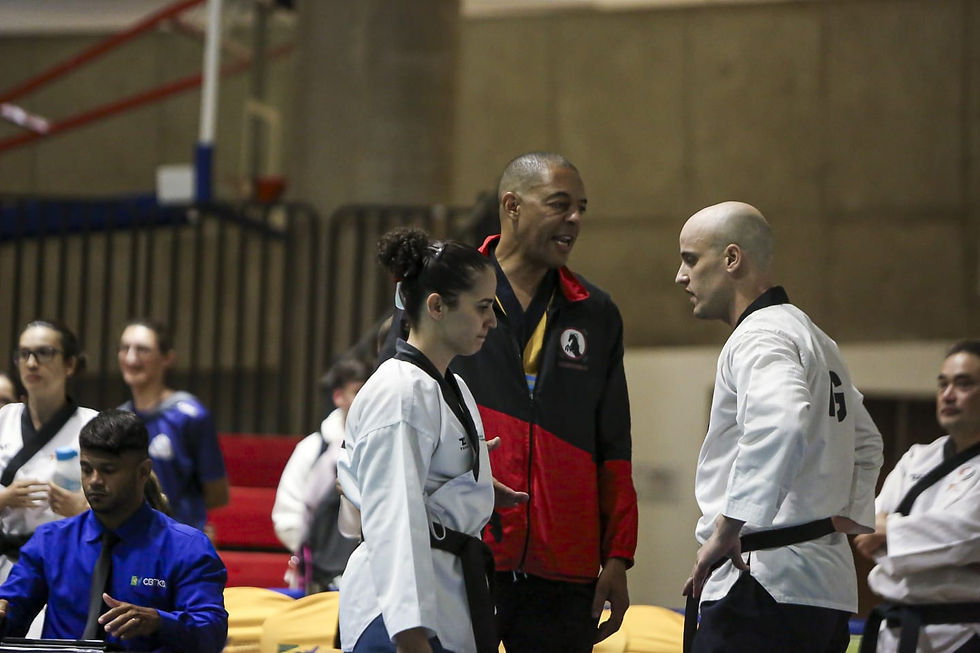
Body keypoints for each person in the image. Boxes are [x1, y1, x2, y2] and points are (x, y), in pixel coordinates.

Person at [447, 152, 637, 652]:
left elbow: (614, 443)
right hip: (467, 554)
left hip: (566, 570)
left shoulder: (597, 313)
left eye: (581, 209)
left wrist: (618, 553)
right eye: (559, 205)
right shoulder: (449, 292)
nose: (574, 220)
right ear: (511, 205)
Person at [674, 201, 884, 653]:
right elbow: (867, 443)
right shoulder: (816, 338)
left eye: (690, 259)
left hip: (760, 587)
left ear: (732, 259)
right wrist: (846, 511)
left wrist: (729, 527)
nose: (680, 276)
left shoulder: (758, 335)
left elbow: (781, 423)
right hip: (823, 588)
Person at [338, 227, 497, 653]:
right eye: (482, 307)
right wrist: (410, 636)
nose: (492, 320)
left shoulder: (450, 386)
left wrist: (477, 488)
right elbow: (394, 518)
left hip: (447, 597)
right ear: (437, 306)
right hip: (396, 617)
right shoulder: (399, 393)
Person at [0, 409, 228, 652]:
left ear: (143, 471)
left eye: (108, 470)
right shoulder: (50, 541)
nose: (94, 481)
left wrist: (160, 622)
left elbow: (212, 634)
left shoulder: (187, 547)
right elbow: (12, 613)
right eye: (87, 469)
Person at [854, 340, 980, 653]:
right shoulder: (917, 458)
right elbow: (866, 530)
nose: (948, 394)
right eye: (943, 384)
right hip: (894, 630)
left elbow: (967, 536)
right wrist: (922, 544)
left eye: (963, 384)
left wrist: (891, 532)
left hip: (962, 633)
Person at [0, 320, 97, 582]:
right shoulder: (4, 419)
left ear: (70, 365)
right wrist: (3, 498)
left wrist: (83, 508)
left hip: (66, 564)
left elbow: (123, 503)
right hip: (5, 563)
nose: (32, 363)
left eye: (44, 353)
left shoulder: (92, 426)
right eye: (24, 354)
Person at [118, 319, 229, 532]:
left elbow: (217, 493)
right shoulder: (119, 418)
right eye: (125, 348)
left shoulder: (190, 416)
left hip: (178, 540)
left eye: (142, 350)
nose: (131, 358)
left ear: (167, 358)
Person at [272, 356, 369, 589]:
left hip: (369, 571)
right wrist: (313, 553)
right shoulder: (312, 450)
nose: (365, 400)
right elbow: (286, 515)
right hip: (320, 577)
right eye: (358, 392)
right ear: (338, 397)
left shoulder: (383, 447)